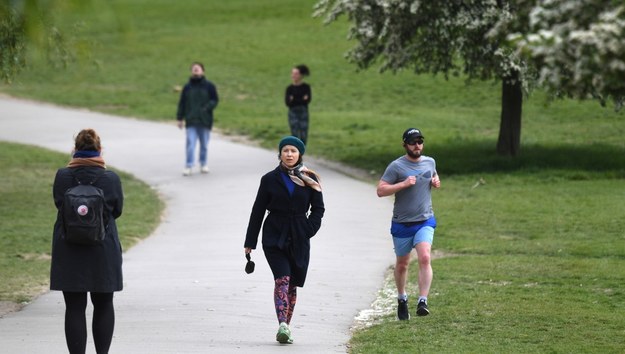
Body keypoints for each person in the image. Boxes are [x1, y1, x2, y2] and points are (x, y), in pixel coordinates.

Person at [244, 136, 324, 344]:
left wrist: (309, 229)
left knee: (293, 283)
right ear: (279, 154)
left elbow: (318, 208)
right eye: (285, 150)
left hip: (300, 234)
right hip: (274, 235)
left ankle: (286, 328)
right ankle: (282, 324)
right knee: (283, 278)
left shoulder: (310, 178)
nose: (289, 154)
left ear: (300, 154)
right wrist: (250, 241)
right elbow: (258, 210)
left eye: (293, 151)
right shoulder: (269, 179)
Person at [50, 128, 124, 353]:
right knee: (103, 303)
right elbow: (117, 210)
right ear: (100, 150)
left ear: (75, 150)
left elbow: (59, 205)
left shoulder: (63, 176)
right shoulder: (110, 178)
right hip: (103, 247)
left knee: (74, 307)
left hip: (69, 248)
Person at [376, 128, 441, 320]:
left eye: (420, 141)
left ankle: (422, 300)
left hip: (425, 220)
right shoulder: (396, 166)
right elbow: (380, 191)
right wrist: (402, 184)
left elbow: (433, 175)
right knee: (403, 264)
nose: (417, 145)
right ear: (405, 144)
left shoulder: (430, 162)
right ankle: (402, 298)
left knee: (425, 257)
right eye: (413, 142)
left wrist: (436, 181)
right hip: (402, 223)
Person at [176, 61, 219, 176]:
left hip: (205, 120)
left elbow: (215, 100)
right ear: (191, 71)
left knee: (204, 144)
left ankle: (203, 163)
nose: (195, 69)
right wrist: (180, 118)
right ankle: (189, 165)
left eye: (198, 68)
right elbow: (182, 103)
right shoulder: (187, 87)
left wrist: (207, 108)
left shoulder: (209, 86)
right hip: (191, 120)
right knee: (190, 144)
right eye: (194, 68)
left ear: (202, 71)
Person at [284, 64, 311, 144]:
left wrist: (294, 99)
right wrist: (301, 99)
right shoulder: (289, 88)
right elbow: (288, 103)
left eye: (296, 73)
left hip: (303, 112)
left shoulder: (306, 87)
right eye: (292, 73)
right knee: (294, 133)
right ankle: (296, 153)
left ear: (301, 75)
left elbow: (308, 100)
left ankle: (301, 152)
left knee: (303, 134)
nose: (293, 75)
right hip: (293, 112)